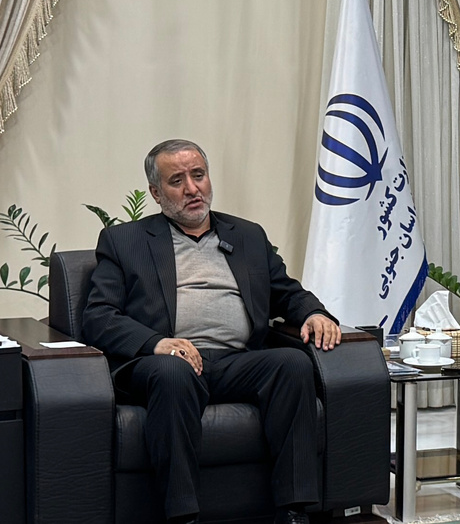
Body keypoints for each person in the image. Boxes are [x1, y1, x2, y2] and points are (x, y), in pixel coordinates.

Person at [82, 139, 342, 524]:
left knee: (291, 363)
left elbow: (286, 292)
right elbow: (99, 315)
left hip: (236, 362)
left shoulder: (248, 236)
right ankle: (183, 516)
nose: (192, 189)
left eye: (198, 175)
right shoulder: (125, 241)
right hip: (166, 365)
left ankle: (293, 512)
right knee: (173, 374)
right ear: (156, 192)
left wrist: (314, 313)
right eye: (177, 181)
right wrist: (157, 344)